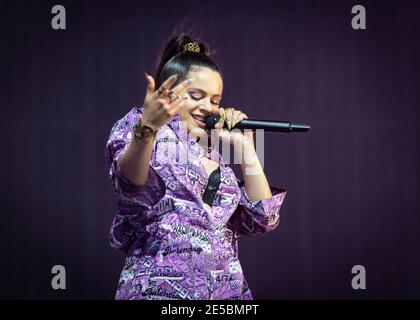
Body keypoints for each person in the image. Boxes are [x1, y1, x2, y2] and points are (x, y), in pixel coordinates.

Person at [104, 34, 287, 300]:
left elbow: (261, 220)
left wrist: (245, 148)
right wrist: (148, 127)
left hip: (225, 296)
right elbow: (131, 184)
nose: (207, 107)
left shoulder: (215, 155)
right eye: (195, 95)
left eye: (215, 100)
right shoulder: (140, 127)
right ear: (167, 94)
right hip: (160, 291)